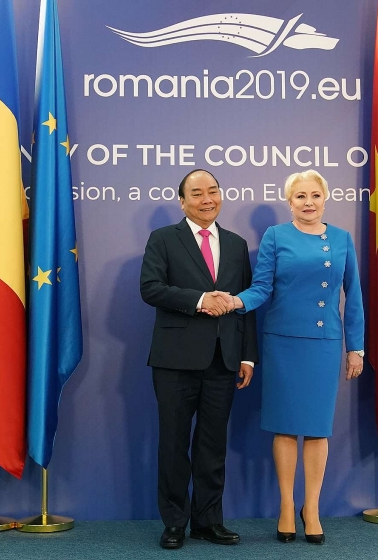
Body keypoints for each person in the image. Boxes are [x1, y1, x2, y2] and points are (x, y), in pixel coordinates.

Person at [207, 170, 364, 544]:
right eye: (300, 196)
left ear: (325, 198)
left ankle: (312, 508)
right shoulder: (276, 236)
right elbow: (261, 288)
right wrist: (235, 302)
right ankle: (286, 506)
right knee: (285, 427)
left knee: (317, 428)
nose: (308, 202)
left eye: (315, 195)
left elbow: (354, 295)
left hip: (324, 342)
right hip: (283, 342)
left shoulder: (341, 239)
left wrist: (355, 347)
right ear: (289, 202)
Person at [140, 169, 258, 549]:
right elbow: (150, 288)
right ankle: (175, 523)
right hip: (175, 361)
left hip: (224, 360)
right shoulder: (163, 239)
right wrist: (199, 300)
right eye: (197, 193)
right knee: (174, 444)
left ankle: (208, 521)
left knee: (212, 445)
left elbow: (246, 303)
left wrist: (248, 357)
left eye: (213, 191)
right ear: (182, 201)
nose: (207, 199)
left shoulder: (237, 244)